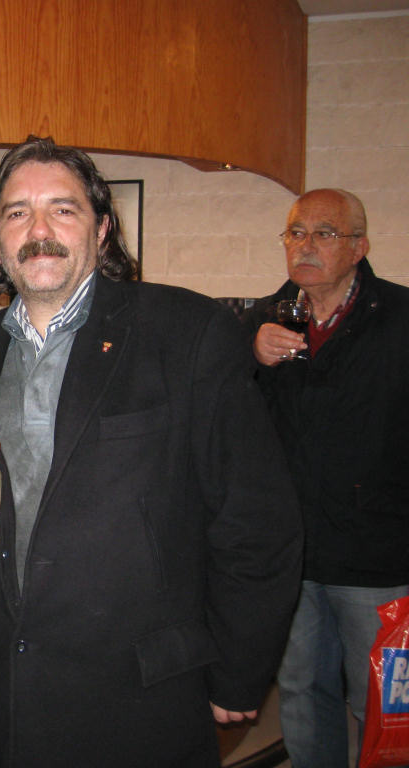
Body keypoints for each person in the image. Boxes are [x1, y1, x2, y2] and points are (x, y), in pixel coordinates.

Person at [0, 137, 303, 767]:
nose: (39, 230)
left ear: (102, 229)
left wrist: (239, 669)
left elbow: (256, 519)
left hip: (141, 701)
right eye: (17, 212)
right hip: (8, 698)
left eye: (63, 209)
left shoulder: (186, 332)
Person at [244, 188, 409, 768]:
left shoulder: (399, 318)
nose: (305, 245)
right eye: (295, 232)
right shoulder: (264, 319)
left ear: (359, 247)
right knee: (302, 693)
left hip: (378, 555)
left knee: (382, 702)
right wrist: (249, 356)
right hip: (293, 552)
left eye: (324, 233)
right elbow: (228, 418)